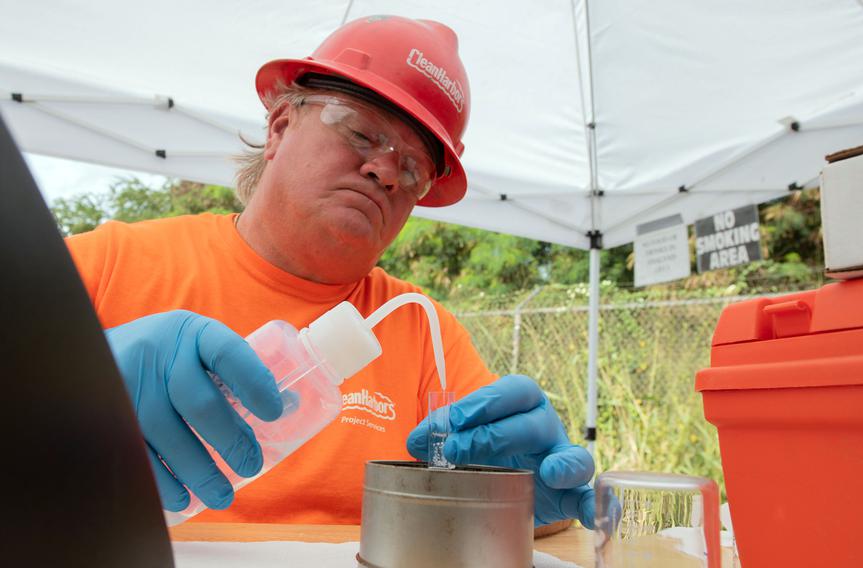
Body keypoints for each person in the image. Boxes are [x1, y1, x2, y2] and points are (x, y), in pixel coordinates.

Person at [66, 15, 596, 528]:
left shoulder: (421, 331)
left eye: (413, 168)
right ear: (280, 127)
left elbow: (485, 506)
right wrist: (63, 383)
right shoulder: (110, 264)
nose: (385, 171)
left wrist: (516, 502)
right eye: (361, 134)